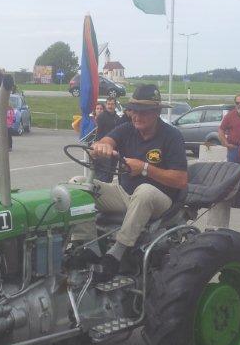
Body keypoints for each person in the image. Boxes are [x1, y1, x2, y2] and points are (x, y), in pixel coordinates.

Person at [72, 84, 188, 281]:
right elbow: (107, 140)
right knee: (78, 183)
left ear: (157, 112)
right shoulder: (127, 129)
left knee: (144, 191)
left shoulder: (172, 136)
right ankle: (87, 246)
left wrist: (144, 168)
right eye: (133, 110)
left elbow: (181, 179)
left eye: (143, 112)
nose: (136, 116)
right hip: (125, 194)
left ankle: (116, 254)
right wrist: (102, 147)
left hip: (161, 201)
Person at [218, 94, 240, 205]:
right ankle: (229, 198)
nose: (239, 105)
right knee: (232, 175)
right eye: (237, 103)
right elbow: (221, 130)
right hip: (233, 149)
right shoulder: (230, 116)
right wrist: (225, 143)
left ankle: (239, 199)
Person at [94, 97, 120, 183]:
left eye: (112, 104)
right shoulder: (102, 117)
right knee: (103, 174)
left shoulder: (117, 118)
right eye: (108, 104)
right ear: (106, 105)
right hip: (104, 149)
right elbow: (98, 133)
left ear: (115, 105)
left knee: (110, 173)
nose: (110, 106)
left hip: (114, 150)